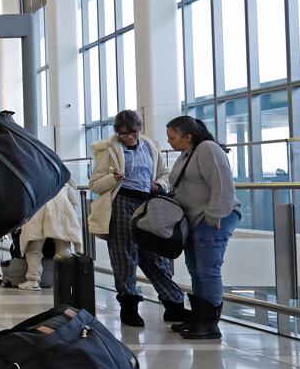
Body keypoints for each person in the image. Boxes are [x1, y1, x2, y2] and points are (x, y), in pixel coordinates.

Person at [88, 109, 188, 327]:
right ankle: (129, 306)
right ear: (117, 132)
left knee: (156, 254)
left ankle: (174, 304)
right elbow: (95, 184)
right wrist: (113, 179)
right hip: (121, 202)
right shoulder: (107, 150)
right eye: (123, 134)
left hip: (148, 203)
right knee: (124, 256)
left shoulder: (150, 147)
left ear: (140, 128)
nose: (129, 137)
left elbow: (164, 174)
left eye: (133, 132)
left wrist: (158, 185)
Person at [165, 117, 240, 340]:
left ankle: (210, 323)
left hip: (214, 218)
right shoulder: (187, 154)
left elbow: (223, 185)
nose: (169, 142)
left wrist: (213, 217)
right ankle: (200, 316)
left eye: (172, 137)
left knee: (208, 270)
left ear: (188, 136)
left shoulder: (208, 149)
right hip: (194, 220)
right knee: (195, 269)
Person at [16, 184, 81, 290]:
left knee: (34, 248)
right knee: (63, 249)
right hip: (61, 208)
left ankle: (33, 280)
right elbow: (74, 202)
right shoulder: (63, 178)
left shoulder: (33, 176)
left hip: (37, 207)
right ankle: (66, 280)